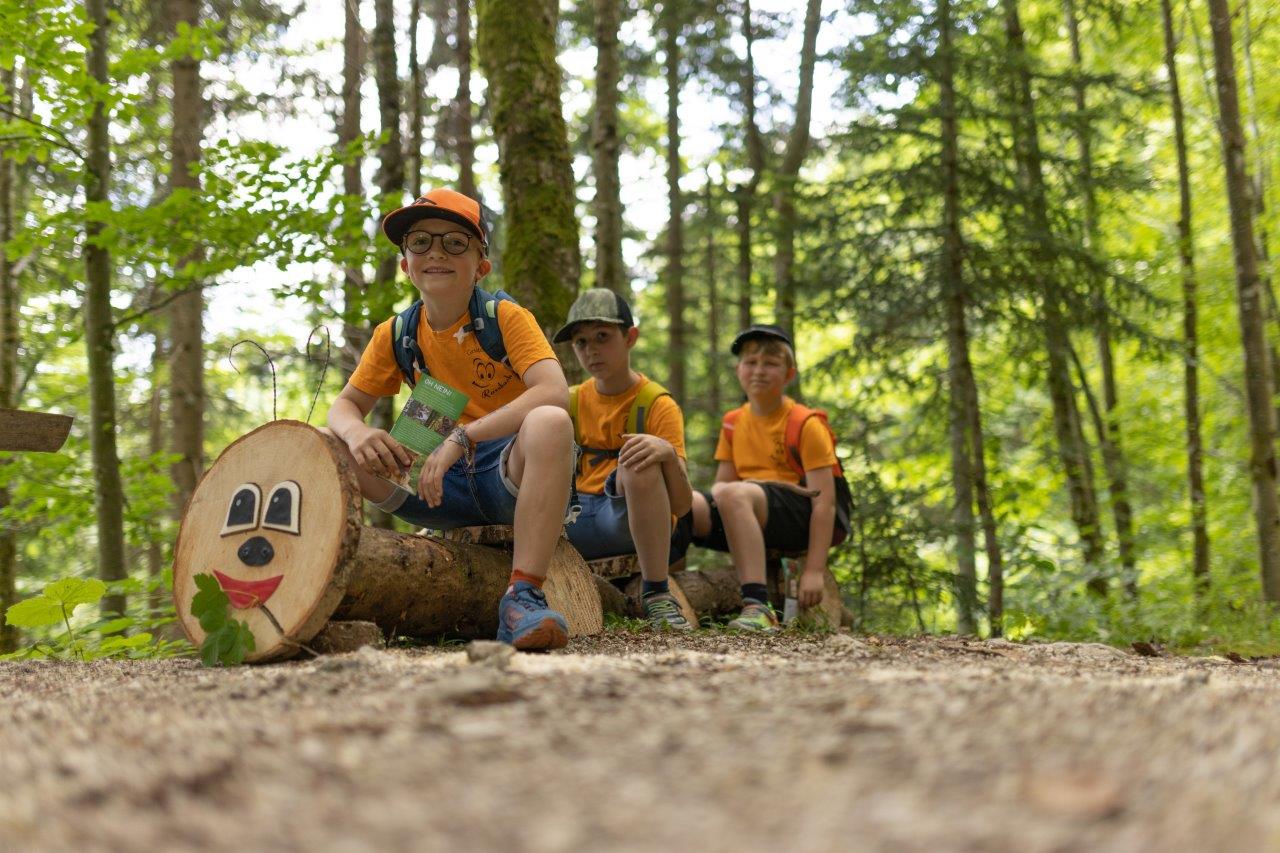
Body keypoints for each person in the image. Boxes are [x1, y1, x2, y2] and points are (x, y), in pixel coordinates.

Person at [324, 189, 574, 651]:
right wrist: (360, 433)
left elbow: (553, 390)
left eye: (455, 243)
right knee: (325, 442)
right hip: (434, 485)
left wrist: (463, 434)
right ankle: (324, 574)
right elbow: (342, 407)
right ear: (405, 264)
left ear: (481, 265)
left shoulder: (505, 318)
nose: (436, 251)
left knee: (550, 422)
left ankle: (523, 595)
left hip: (509, 477)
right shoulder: (397, 334)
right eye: (420, 242)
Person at [552, 289, 695, 630]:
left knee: (640, 458)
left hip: (624, 522)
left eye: (603, 337)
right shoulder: (568, 402)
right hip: (570, 523)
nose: (592, 350)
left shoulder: (656, 404)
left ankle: (657, 594)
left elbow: (684, 504)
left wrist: (668, 457)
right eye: (581, 342)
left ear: (630, 337)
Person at [689, 325, 839, 632]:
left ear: (789, 374)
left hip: (796, 515)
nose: (758, 371)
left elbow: (826, 504)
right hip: (747, 508)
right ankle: (660, 595)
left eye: (770, 364)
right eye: (750, 362)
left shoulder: (805, 423)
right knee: (687, 502)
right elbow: (722, 484)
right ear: (738, 370)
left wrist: (814, 569)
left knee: (733, 493)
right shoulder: (733, 422)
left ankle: (758, 606)